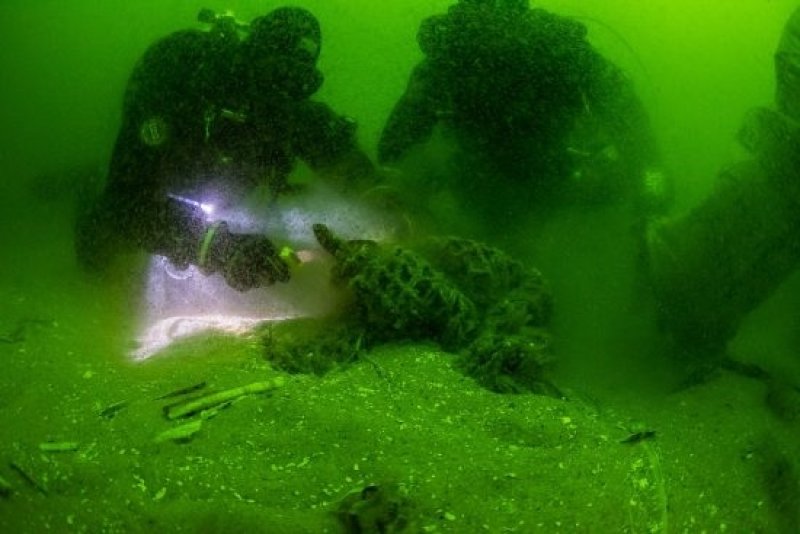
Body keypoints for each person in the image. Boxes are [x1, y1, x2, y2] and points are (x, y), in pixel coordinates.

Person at [76, 7, 381, 291]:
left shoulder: (290, 111)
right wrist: (214, 247)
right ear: (249, 57)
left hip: (222, 194)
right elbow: (123, 203)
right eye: (276, 74)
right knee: (93, 256)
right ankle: (83, 183)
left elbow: (352, 168)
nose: (281, 94)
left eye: (299, 82)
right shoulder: (183, 90)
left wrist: (386, 204)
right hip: (161, 179)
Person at [378, 0, 667, 236]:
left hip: (495, 192)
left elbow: (393, 144)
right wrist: (655, 193)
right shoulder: (560, 47)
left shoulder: (451, 54)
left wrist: (391, 192)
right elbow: (633, 125)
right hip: (542, 190)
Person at [647, 7, 800, 365]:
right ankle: (667, 287)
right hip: (782, 153)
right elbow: (791, 72)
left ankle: (702, 331)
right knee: (760, 206)